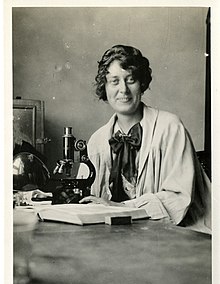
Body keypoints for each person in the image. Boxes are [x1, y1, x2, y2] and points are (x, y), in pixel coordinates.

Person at [79, 44, 211, 233]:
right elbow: (91, 202)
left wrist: (122, 208)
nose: (123, 90)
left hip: (181, 235)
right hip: (117, 238)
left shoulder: (170, 128)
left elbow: (178, 200)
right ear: (104, 87)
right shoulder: (97, 141)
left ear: (142, 84)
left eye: (130, 80)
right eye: (114, 81)